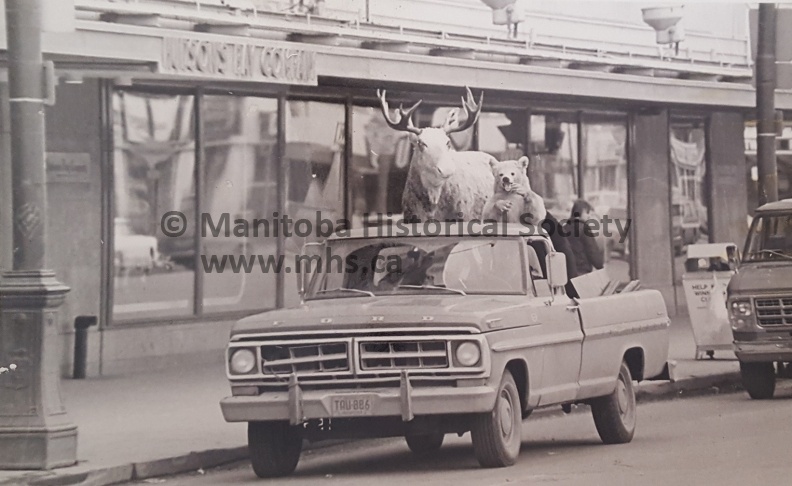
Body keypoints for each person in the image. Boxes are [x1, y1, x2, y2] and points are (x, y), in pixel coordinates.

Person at [563, 199, 604, 275]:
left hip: (568, 271)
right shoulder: (584, 228)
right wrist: (600, 265)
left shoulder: (565, 228)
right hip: (582, 270)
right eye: (587, 212)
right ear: (581, 211)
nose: (589, 216)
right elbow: (592, 250)